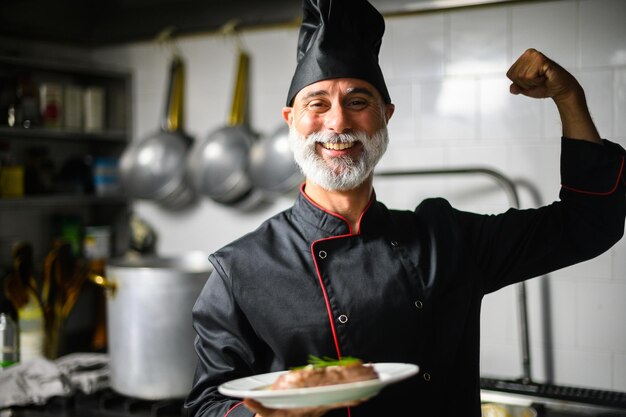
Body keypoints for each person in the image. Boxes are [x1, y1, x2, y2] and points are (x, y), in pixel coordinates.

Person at [184, 0, 626, 416]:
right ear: (291, 121)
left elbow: (588, 224)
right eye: (317, 104)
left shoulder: (447, 241)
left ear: (386, 115)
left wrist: (569, 98)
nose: (337, 122)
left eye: (358, 102)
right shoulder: (238, 269)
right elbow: (207, 403)